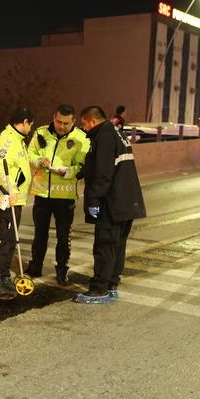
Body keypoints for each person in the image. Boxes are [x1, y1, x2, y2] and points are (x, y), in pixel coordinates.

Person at [74, 106, 146, 304]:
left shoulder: (104, 136)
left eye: (84, 124)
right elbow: (102, 164)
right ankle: (112, 285)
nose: (84, 128)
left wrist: (94, 199)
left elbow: (103, 173)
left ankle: (99, 290)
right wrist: (79, 172)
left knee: (105, 246)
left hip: (111, 203)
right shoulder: (116, 133)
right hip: (127, 201)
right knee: (117, 246)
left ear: (91, 121)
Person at [26, 104, 89, 285]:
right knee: (40, 234)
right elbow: (29, 154)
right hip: (42, 194)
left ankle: (62, 270)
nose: (61, 126)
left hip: (65, 196)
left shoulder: (81, 138)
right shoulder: (41, 133)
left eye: (66, 123)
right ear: (54, 117)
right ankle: (35, 266)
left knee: (63, 236)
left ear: (73, 122)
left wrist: (68, 171)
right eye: (59, 122)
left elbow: (83, 166)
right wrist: (38, 160)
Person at [0, 107, 34, 300]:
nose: (30, 128)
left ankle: (4, 276)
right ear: (24, 122)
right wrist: (11, 190)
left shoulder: (19, 140)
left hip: (17, 201)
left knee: (10, 241)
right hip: (4, 201)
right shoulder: (6, 140)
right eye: (30, 124)